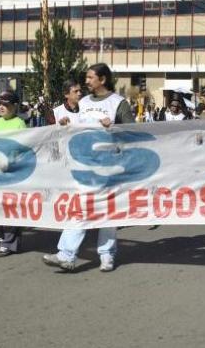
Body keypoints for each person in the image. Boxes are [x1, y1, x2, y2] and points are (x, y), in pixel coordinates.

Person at [42, 63, 134, 272]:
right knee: (80, 207)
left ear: (102, 80)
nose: (86, 81)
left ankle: (107, 254)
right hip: (84, 165)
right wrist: (66, 123)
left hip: (110, 166)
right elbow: (77, 127)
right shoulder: (82, 102)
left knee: (108, 211)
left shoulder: (118, 103)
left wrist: (114, 128)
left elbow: (133, 132)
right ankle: (66, 254)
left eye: (90, 77)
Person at [0, 90, 27, 257]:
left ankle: (9, 242)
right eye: (0, 104)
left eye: (5, 104)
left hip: (12, 173)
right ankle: (4, 235)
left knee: (10, 209)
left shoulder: (20, 124)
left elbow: (24, 148)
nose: (1, 107)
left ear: (15, 106)